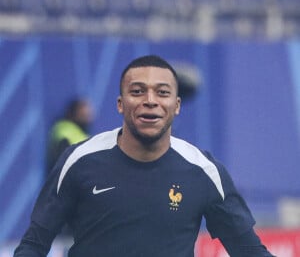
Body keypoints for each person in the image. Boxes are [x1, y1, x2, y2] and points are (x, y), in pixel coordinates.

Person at [14, 55, 275, 257]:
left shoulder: (203, 171)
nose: (150, 100)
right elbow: (33, 246)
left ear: (177, 106)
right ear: (120, 103)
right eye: (137, 91)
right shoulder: (79, 160)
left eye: (162, 92)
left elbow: (250, 252)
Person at [46, 98, 94, 174]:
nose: (88, 114)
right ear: (75, 112)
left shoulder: (82, 133)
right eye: (83, 110)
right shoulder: (64, 130)